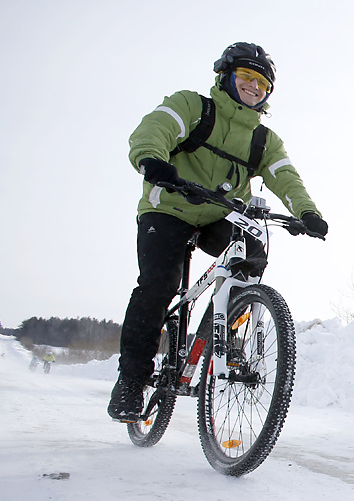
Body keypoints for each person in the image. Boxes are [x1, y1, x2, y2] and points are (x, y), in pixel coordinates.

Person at [108, 42, 328, 422]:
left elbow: (284, 176)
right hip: (169, 206)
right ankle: (131, 380)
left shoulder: (264, 139)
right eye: (246, 76)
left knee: (251, 249)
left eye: (262, 83)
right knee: (159, 284)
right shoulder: (192, 106)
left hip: (219, 215)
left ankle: (222, 332)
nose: (254, 86)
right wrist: (153, 160)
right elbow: (155, 129)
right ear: (225, 76)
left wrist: (306, 212)